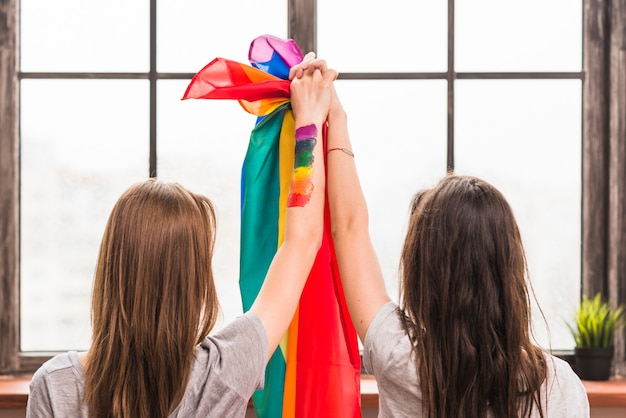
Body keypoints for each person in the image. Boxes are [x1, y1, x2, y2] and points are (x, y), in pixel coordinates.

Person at [26, 59, 337, 418]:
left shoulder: (54, 384)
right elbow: (303, 239)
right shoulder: (224, 370)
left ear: (111, 268)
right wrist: (310, 122)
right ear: (194, 283)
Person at [290, 60, 590, 417]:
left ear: (423, 274)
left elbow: (349, 227)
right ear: (509, 270)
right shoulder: (560, 386)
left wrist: (331, 119)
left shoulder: (400, 357)